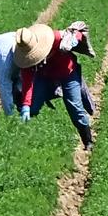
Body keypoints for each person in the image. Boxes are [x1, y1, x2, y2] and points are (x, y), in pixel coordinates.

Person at [14, 22, 95, 150]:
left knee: (75, 107)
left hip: (68, 74)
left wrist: (73, 39)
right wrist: (26, 105)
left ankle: (88, 141)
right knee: (33, 106)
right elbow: (27, 81)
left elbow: (76, 32)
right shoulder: (27, 59)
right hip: (45, 77)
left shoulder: (54, 38)